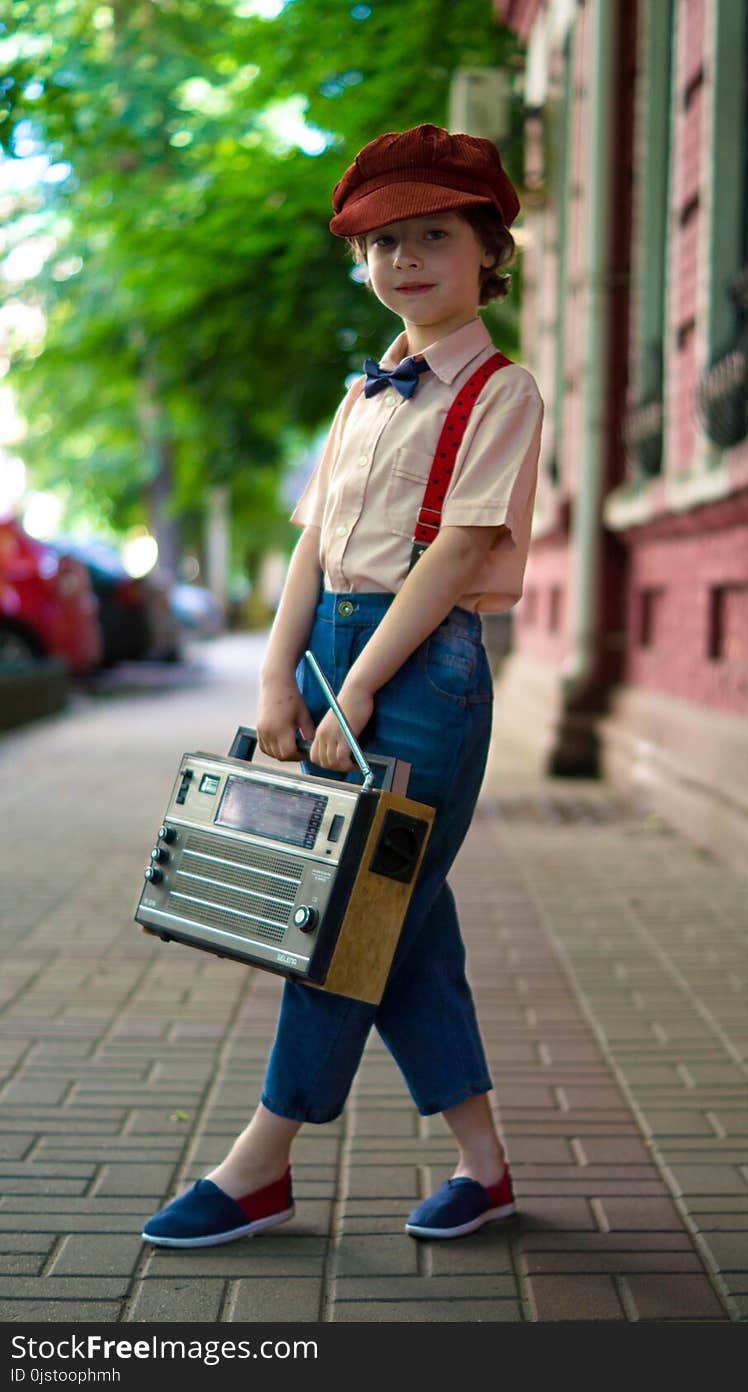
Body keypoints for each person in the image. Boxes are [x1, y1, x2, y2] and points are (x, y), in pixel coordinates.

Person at [142, 123, 544, 1248]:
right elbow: (312, 548)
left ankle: (258, 1164)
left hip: (425, 666)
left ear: (486, 252)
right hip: (332, 649)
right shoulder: (363, 394)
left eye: (433, 235)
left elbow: (457, 556)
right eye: (383, 243)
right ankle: (484, 1166)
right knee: (401, 926)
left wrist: (358, 688)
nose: (405, 260)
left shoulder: (501, 392)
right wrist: (280, 676)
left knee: (341, 917)